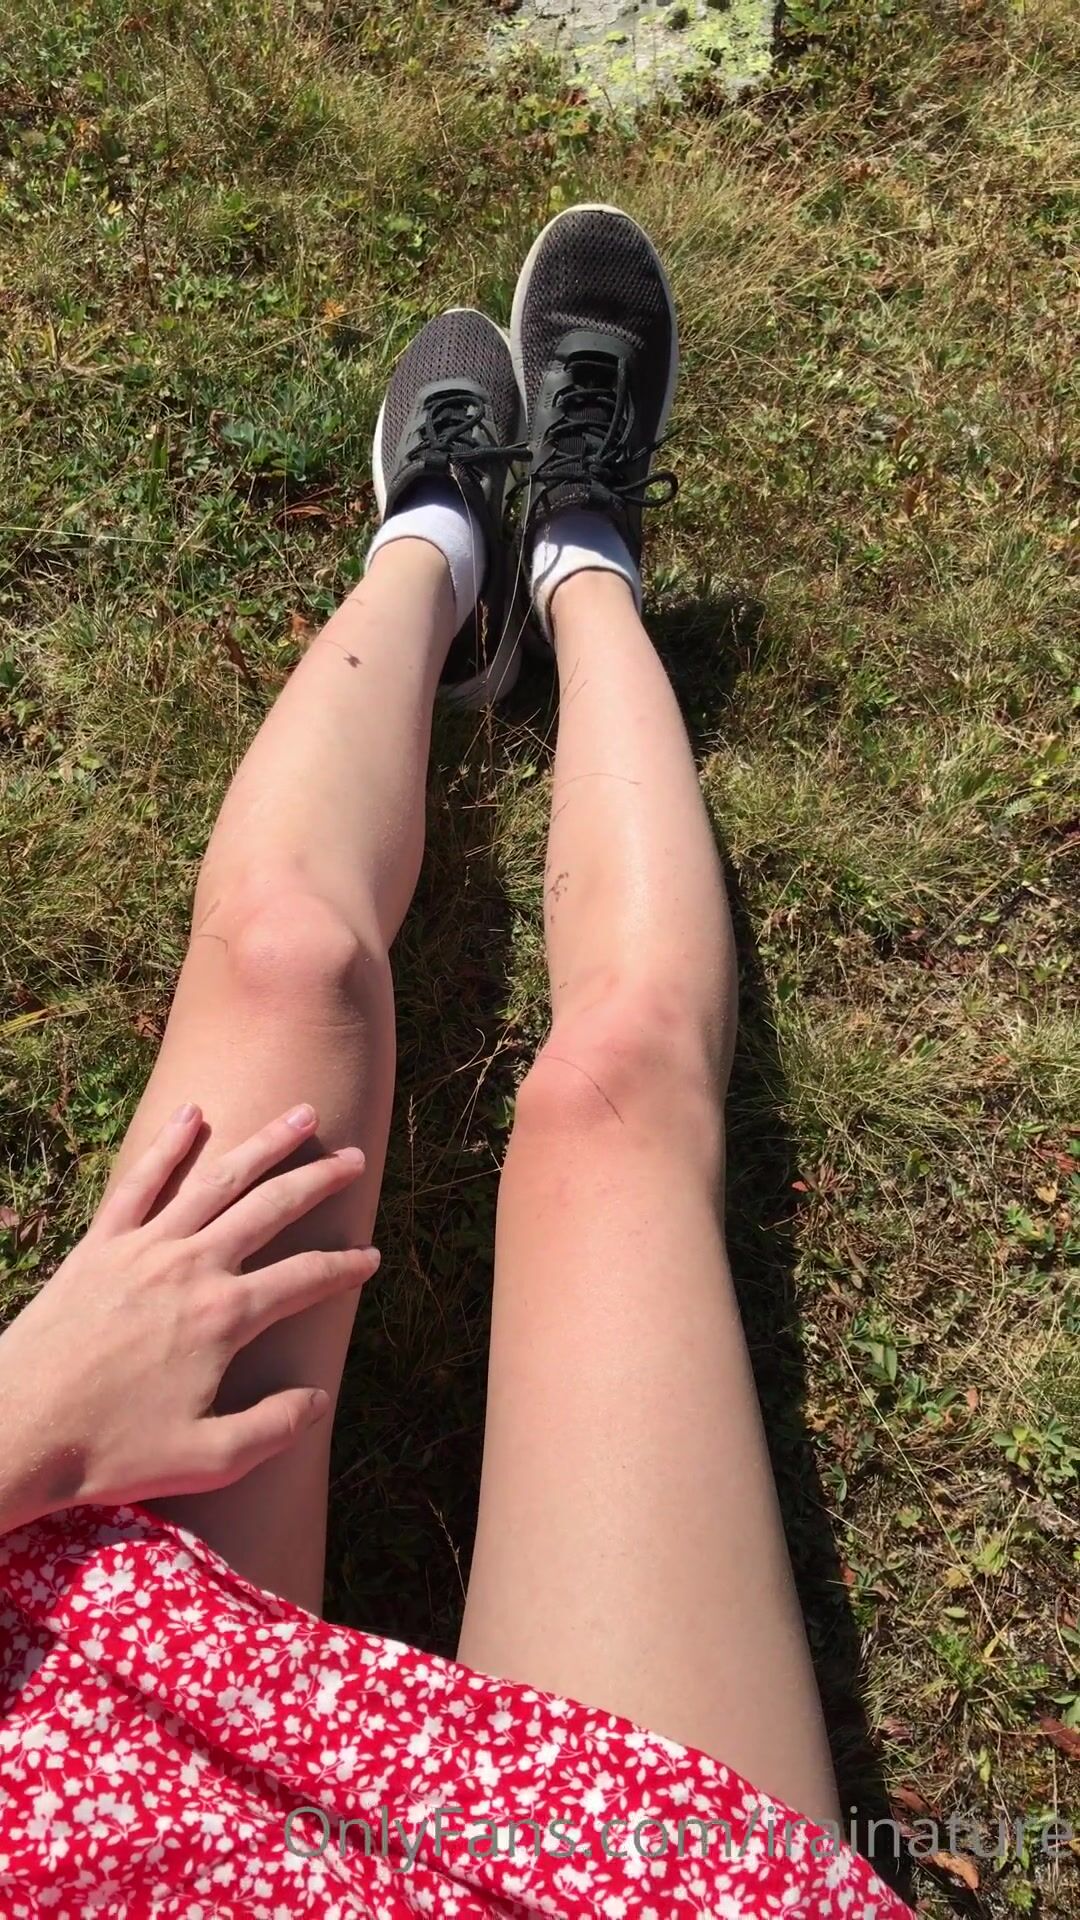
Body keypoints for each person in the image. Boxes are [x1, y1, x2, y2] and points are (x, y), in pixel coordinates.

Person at [0, 206, 912, 1917]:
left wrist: (22, 1415)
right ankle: (586, 552)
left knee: (289, 956)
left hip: (63, 1786)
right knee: (618, 1091)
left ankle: (447, 549)